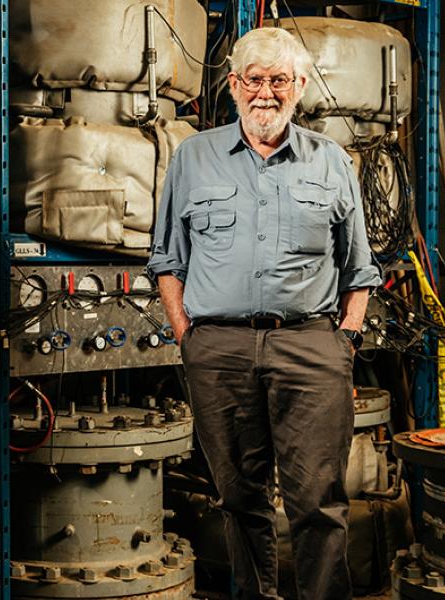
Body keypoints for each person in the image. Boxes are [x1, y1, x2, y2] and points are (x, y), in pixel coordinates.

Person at [145, 26, 381, 600]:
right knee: (238, 497)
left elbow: (361, 269)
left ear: (300, 87)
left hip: (310, 349)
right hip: (218, 350)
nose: (266, 92)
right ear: (233, 85)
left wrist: (343, 338)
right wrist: (187, 334)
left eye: (280, 80)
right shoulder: (193, 158)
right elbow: (167, 258)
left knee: (318, 500)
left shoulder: (331, 163)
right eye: (254, 79)